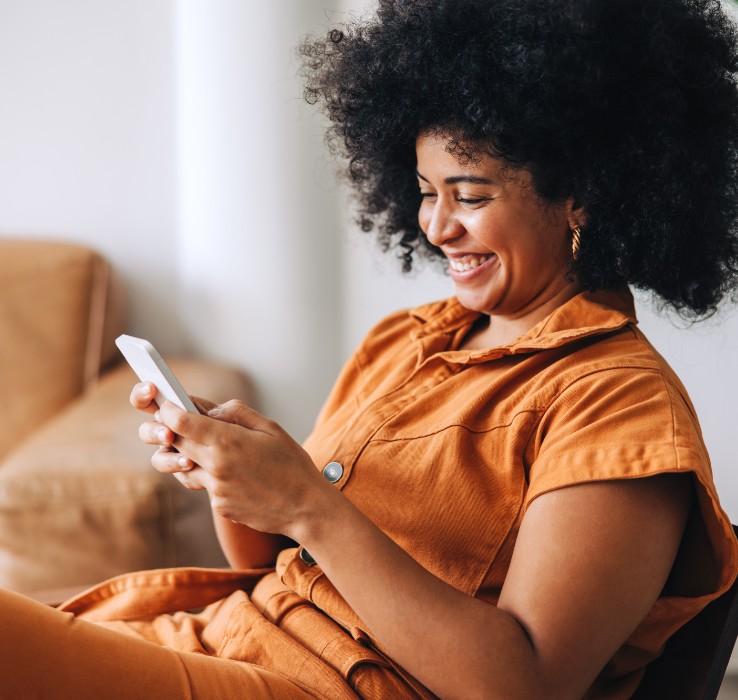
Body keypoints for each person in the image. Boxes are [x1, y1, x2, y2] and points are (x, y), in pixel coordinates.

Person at [2, 0, 738, 698]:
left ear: (582, 195)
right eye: (425, 191)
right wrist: (235, 468)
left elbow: (527, 685)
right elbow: (273, 561)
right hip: (218, 637)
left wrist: (309, 504)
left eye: (471, 195)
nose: (437, 227)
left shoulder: (619, 404)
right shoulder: (408, 338)